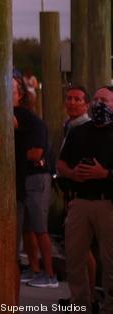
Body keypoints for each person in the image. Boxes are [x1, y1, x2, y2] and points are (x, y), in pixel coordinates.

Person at [57, 86, 113, 313]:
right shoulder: (78, 131)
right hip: (79, 201)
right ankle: (81, 304)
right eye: (97, 99)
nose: (100, 104)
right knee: (74, 257)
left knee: (110, 261)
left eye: (106, 101)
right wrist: (72, 173)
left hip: (108, 202)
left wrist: (105, 174)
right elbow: (61, 164)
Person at [13, 76, 56, 288]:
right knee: (27, 228)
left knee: (39, 228)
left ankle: (50, 274)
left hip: (36, 178)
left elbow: (36, 153)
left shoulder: (32, 121)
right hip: (23, 178)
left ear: (21, 96)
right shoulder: (18, 119)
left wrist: (13, 154)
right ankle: (34, 268)